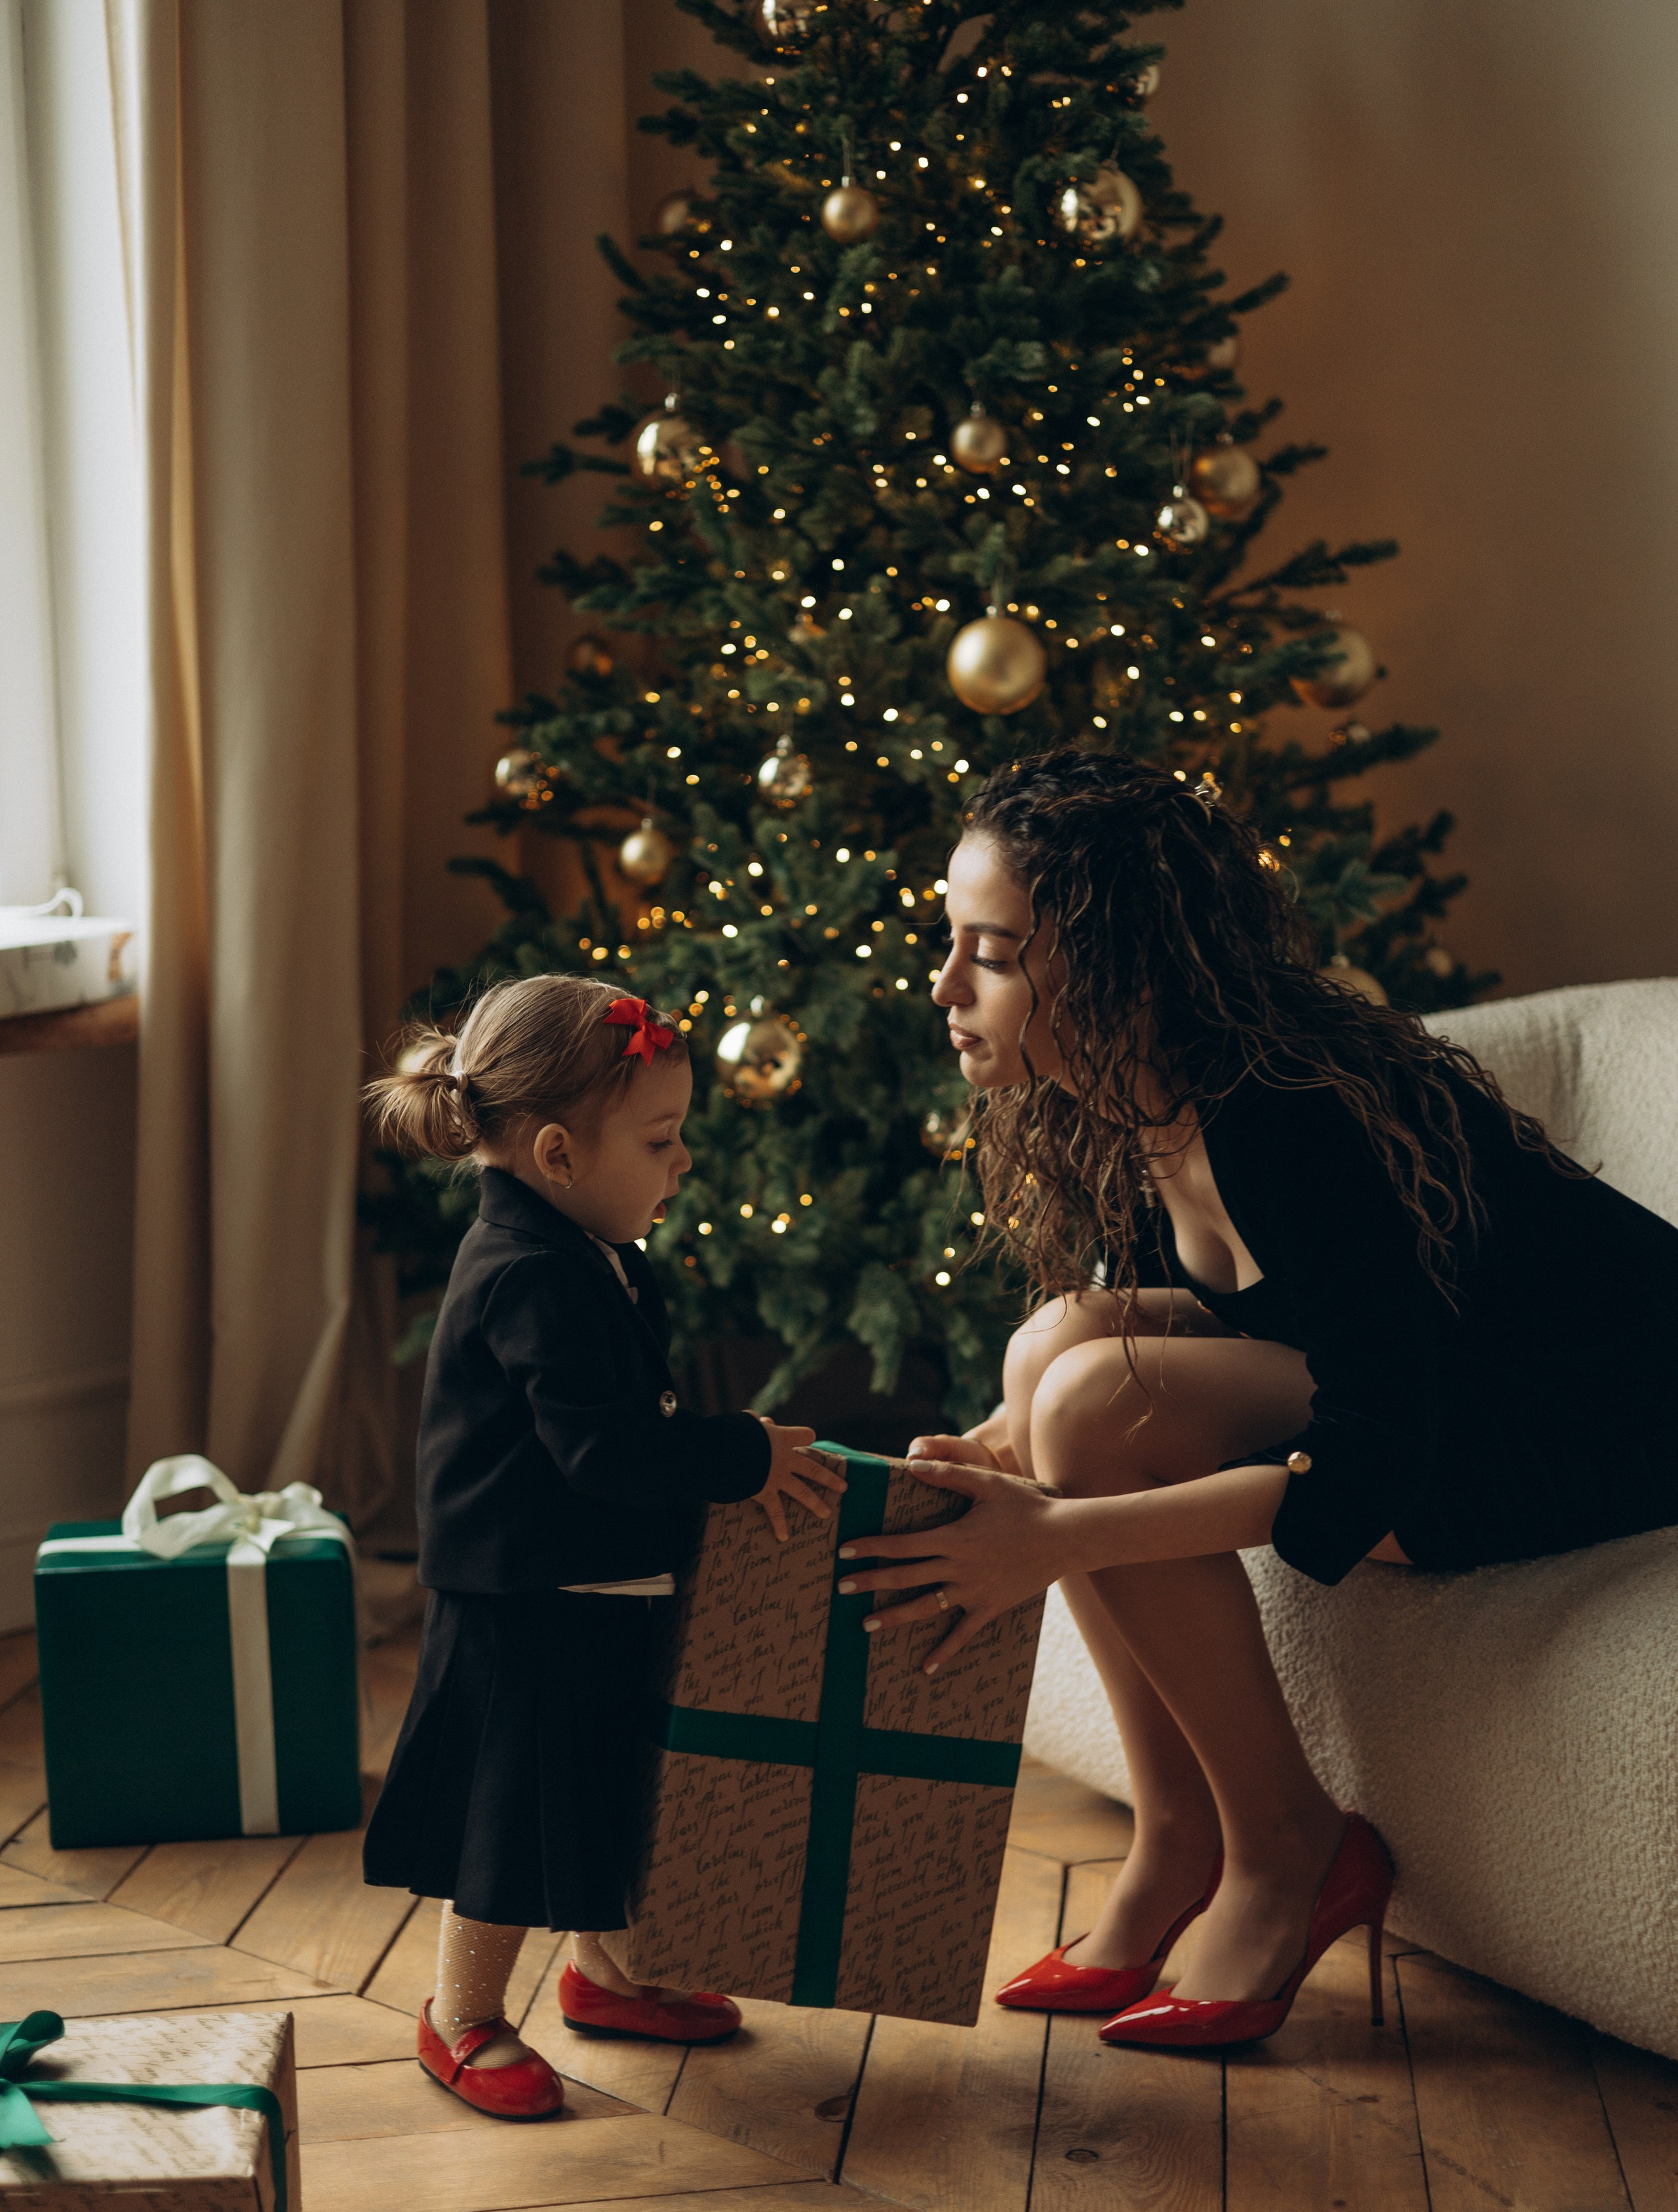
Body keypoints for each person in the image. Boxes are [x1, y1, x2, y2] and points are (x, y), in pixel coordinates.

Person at [837, 749, 1678, 2050]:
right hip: (1454, 1373)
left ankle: (1288, 1848)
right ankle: (1176, 1835)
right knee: (1048, 1352)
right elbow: (1245, 1332)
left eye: (991, 956)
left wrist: (1048, 1535)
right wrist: (1004, 1450)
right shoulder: (1129, 1096)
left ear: (1115, 965)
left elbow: (1366, 1455)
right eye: (952, 946)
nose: (945, 990)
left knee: (1088, 1412)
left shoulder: (1287, 1116)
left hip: (1606, 1411)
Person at [362, 977, 843, 2118]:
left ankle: (608, 1970)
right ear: (560, 1153)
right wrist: (740, 1456)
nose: (683, 1165)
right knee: (513, 1810)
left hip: (596, 1584)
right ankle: (462, 2016)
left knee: (608, 1789)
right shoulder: (529, 1269)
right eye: (664, 1140)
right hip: (524, 1597)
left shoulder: (583, 1244)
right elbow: (605, 1452)